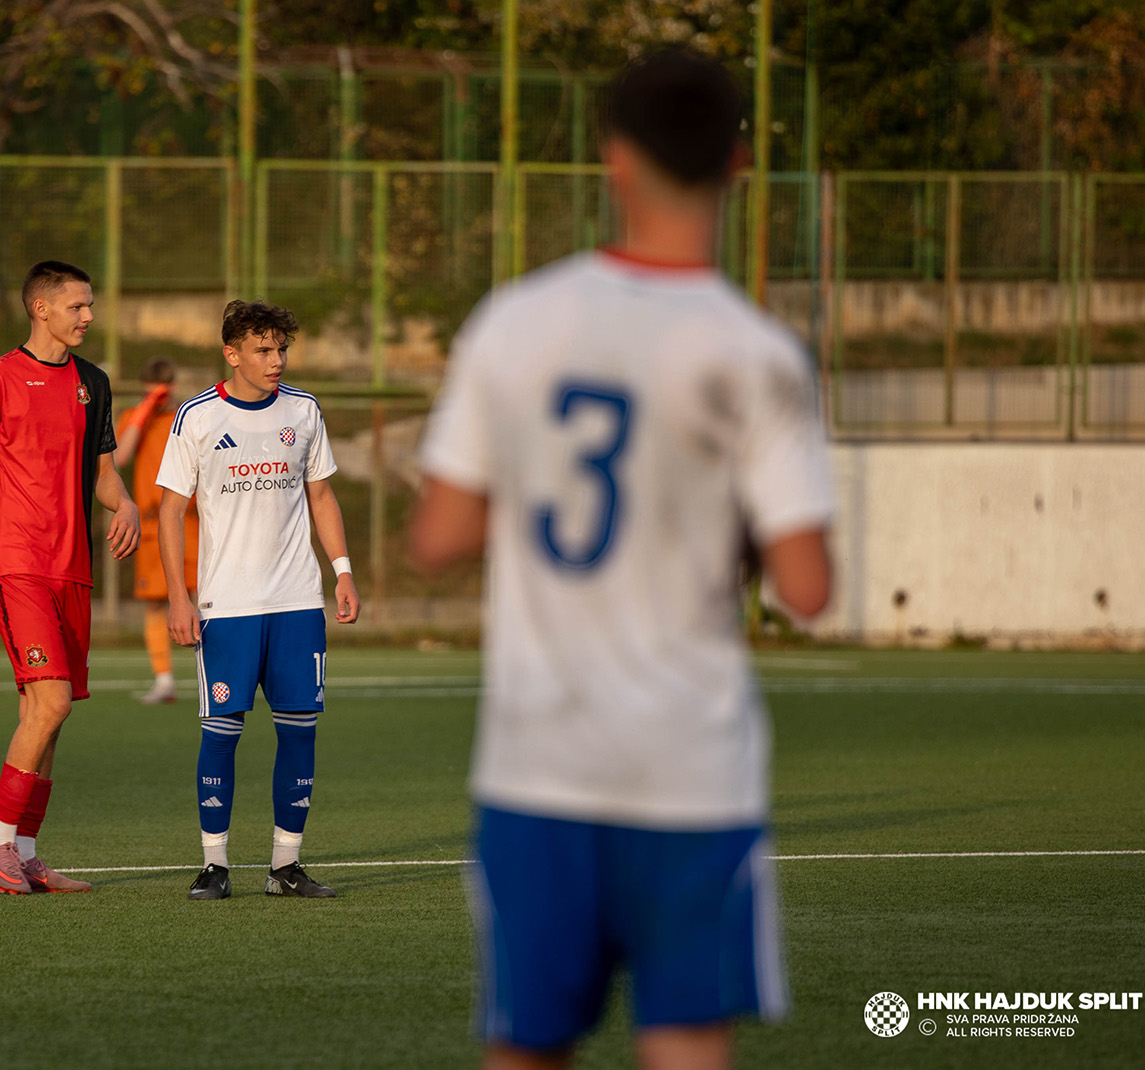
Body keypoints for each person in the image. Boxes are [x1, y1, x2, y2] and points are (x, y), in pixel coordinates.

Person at [408, 50, 835, 1070]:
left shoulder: (516, 319)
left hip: (538, 761)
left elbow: (438, 539)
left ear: (614, 160)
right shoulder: (756, 350)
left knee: (528, 1043)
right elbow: (809, 588)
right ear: (738, 164)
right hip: (692, 767)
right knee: (686, 1039)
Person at [154, 299, 361, 901]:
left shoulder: (304, 409)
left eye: (282, 350)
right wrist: (178, 595)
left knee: (300, 730)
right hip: (227, 606)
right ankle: (214, 864)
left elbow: (321, 497)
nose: (276, 361)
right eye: (264, 350)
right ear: (232, 353)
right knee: (221, 732)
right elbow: (171, 510)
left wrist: (343, 572)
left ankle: (285, 866)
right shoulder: (195, 416)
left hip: (297, 601)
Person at [0, 259, 140, 895]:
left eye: (90, 305)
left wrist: (128, 503)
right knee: (50, 701)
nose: (88, 316)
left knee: (48, 712)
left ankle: (27, 851)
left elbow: (102, 473)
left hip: (73, 569)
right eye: (78, 306)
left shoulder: (94, 381)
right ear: (41, 309)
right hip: (17, 563)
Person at [113, 357, 200, 705]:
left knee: (206, 600)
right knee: (155, 606)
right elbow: (121, 456)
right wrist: (146, 407)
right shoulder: (134, 418)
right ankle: (164, 680)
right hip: (151, 525)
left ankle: (214, 676)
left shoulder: (189, 417)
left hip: (194, 523)